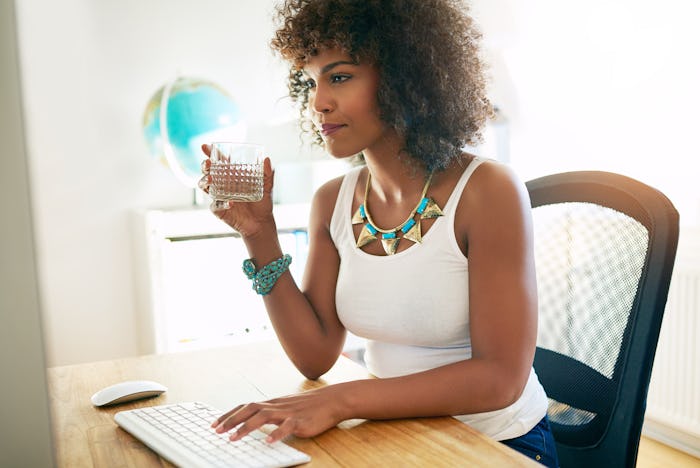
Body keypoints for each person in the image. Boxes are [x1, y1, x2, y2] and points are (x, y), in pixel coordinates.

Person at [198, 0, 559, 465]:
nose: (318, 101)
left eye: (340, 77)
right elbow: (315, 356)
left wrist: (341, 401)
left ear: (406, 78)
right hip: (392, 437)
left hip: (496, 445)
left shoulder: (488, 190)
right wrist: (259, 234)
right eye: (311, 81)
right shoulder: (332, 201)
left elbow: (500, 378)